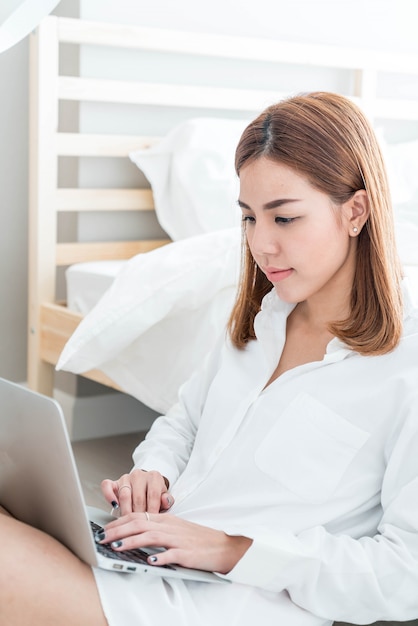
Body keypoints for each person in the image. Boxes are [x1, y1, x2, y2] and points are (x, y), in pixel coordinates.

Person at [1, 91, 418, 626]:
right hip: (163, 560)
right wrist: (154, 470)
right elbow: (186, 422)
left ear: (355, 210)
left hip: (241, 600)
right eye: (248, 219)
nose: (260, 245)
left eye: (284, 218)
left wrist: (231, 549)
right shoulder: (260, 321)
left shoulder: (405, 367)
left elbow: (406, 573)